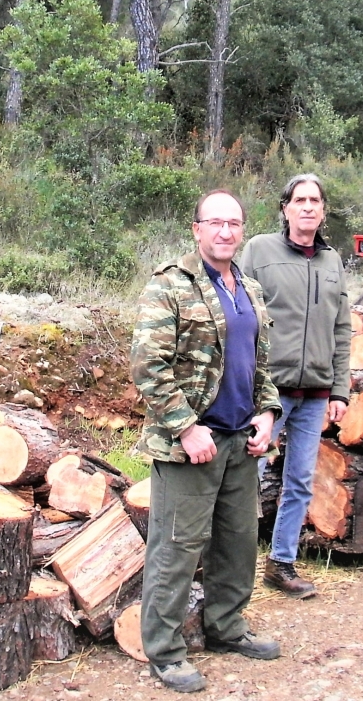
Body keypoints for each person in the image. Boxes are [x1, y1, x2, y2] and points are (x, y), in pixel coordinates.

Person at [130, 189, 283, 694]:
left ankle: (226, 627)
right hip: (190, 445)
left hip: (241, 443)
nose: (225, 231)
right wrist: (185, 426)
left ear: (243, 230)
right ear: (196, 230)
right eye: (214, 222)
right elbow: (147, 367)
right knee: (176, 550)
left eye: (234, 223)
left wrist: (267, 412)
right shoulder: (170, 286)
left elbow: (260, 365)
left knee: (237, 546)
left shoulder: (251, 290)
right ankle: (166, 652)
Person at [240, 173, 352, 599]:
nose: (307, 207)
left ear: (323, 211)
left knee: (300, 481)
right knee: (247, 476)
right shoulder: (259, 251)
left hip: (315, 393)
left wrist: (339, 390)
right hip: (268, 391)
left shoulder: (332, 262)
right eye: (299, 200)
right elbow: (240, 316)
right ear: (285, 207)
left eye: (315, 200)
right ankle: (232, 562)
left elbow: (341, 329)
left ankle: (281, 563)